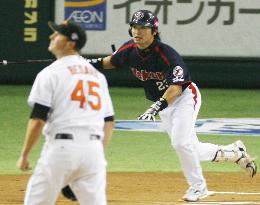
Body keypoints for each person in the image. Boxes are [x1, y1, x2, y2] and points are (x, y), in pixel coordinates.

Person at [90, 10, 257, 202]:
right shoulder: (129, 49)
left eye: (143, 27)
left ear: (153, 31)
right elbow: (110, 61)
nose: (137, 31)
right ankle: (235, 153)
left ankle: (198, 187)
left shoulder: (167, 54)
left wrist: (157, 106)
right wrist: (82, 63)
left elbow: (176, 87)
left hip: (184, 97)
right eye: (134, 27)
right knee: (190, 148)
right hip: (164, 104)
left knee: (180, 143)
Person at [16, 20, 115, 205]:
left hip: (61, 151)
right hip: (93, 153)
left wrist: (24, 155)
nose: (52, 36)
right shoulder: (97, 76)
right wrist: (96, 154)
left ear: (71, 43)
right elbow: (109, 121)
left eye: (58, 34)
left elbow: (38, 119)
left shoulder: (50, 73)